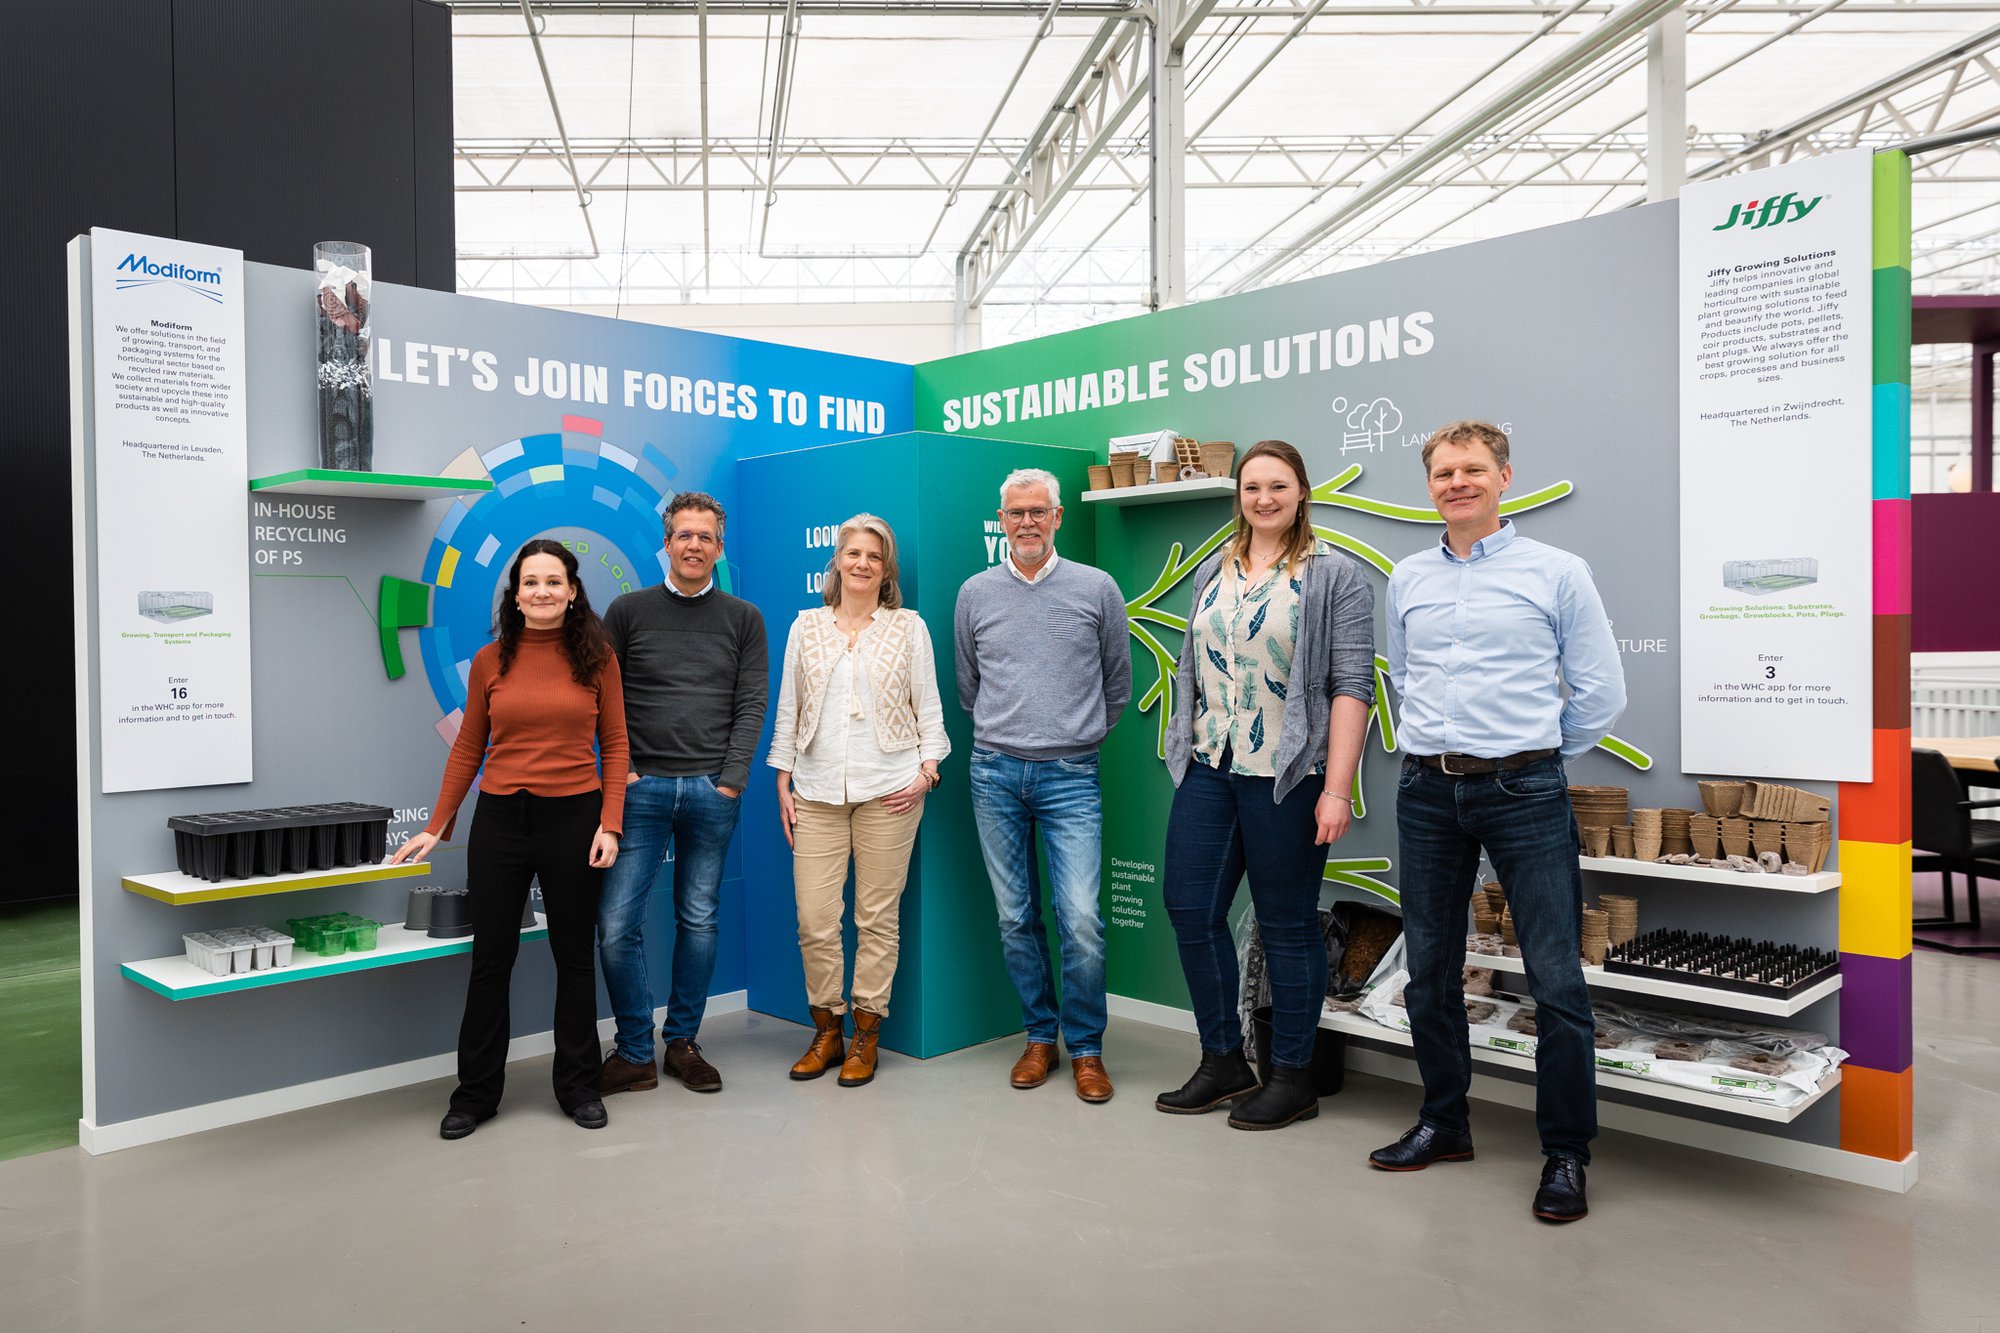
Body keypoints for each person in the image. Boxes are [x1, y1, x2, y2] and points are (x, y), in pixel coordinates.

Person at [1372, 420, 1626, 1223]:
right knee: (1430, 970)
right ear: (1431, 485)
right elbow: (1405, 677)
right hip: (1424, 788)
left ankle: (1565, 1154)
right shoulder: (1408, 577)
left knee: (1556, 978)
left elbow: (1599, 695)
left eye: (1472, 469)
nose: (1457, 482)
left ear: (1504, 477)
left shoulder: (1557, 572)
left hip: (1523, 790)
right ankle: (1445, 1122)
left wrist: (1534, 756)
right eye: (1443, 471)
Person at [1157, 440, 1376, 1130]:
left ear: (1301, 491)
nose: (1264, 498)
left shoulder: (1335, 576)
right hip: (1210, 765)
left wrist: (1336, 787)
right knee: (1190, 907)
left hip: (1288, 774)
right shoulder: (1211, 571)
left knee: (1284, 924)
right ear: (1239, 496)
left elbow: (1350, 686)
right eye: (1252, 487)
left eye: (1278, 485)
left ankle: (1292, 1077)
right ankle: (1223, 1058)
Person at [393, 538, 626, 1140]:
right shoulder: (490, 660)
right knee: (490, 961)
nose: (542, 592)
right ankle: (475, 1096)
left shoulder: (598, 657)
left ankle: (578, 1087)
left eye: (554, 582)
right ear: (515, 596)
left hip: (575, 819)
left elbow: (618, 744)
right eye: (531, 583)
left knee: (573, 959)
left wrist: (610, 823)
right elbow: (470, 746)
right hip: (500, 823)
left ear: (573, 592)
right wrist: (437, 823)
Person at [955, 467, 1131, 1103]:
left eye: (1038, 511)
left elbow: (1117, 684)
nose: (1026, 522)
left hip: (1071, 774)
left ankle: (1086, 1049)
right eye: (1015, 513)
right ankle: (1039, 1037)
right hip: (994, 772)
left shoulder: (1097, 588)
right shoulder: (975, 592)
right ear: (1001, 520)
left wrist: (1073, 737)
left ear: (1058, 518)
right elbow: (969, 685)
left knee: (1081, 919)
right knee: (1014, 916)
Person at [594, 492, 768, 1097]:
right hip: (639, 791)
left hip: (711, 792)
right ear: (666, 543)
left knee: (698, 918)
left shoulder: (744, 618)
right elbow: (602, 699)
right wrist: (628, 772)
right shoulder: (626, 611)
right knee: (617, 926)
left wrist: (731, 779)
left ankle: (683, 1043)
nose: (694, 545)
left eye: (706, 537)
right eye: (684, 535)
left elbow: (751, 704)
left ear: (720, 548)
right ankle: (636, 1050)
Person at [768, 514, 949, 1087]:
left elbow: (930, 705)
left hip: (891, 791)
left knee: (877, 919)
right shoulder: (806, 627)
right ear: (837, 562)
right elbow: (789, 707)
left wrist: (927, 771)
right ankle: (827, 1030)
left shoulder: (908, 627)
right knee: (815, 920)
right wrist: (782, 774)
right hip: (816, 792)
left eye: (874, 556)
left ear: (886, 568)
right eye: (853, 553)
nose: (863, 563)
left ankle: (865, 1038)